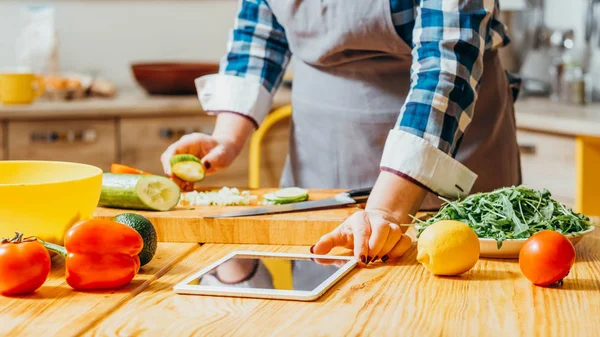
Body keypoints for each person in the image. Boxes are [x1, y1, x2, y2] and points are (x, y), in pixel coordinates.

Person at [161, 0, 521, 266]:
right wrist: (226, 137)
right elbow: (260, 31)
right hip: (321, 141)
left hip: (445, 138)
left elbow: (447, 66)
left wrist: (386, 210)